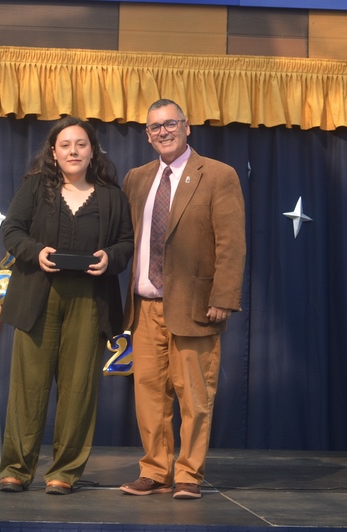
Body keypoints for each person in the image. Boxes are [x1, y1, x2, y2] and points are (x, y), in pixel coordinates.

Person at [0, 116, 134, 495]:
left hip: (90, 301)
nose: (73, 151)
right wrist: (36, 251)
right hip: (37, 299)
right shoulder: (34, 187)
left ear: (93, 151)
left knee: (79, 389)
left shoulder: (113, 196)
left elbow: (126, 243)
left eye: (81, 144)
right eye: (65, 145)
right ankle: (15, 469)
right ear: (53, 153)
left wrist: (110, 258)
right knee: (28, 387)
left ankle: (65, 472)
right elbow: (11, 230)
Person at [119, 99, 246, 499]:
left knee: (194, 396)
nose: (163, 132)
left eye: (170, 124)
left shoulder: (218, 175)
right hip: (144, 308)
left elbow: (231, 244)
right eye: (155, 127)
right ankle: (155, 471)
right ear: (147, 135)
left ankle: (189, 474)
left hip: (196, 306)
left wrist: (223, 296)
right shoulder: (136, 178)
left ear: (187, 127)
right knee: (149, 396)